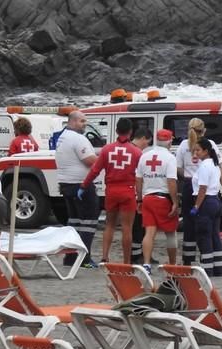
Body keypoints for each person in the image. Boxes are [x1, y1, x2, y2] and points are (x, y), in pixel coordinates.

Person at [81, 118, 142, 264]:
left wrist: (84, 185)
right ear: (131, 132)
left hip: (111, 191)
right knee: (127, 228)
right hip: (128, 191)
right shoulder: (137, 152)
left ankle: (104, 256)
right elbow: (141, 175)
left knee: (109, 225)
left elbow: (95, 170)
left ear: (116, 131)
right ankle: (126, 261)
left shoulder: (106, 149)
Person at [176, 118, 222, 265]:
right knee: (209, 227)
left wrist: (186, 177)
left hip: (189, 184)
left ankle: (188, 260)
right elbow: (219, 166)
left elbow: (178, 167)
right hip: (206, 188)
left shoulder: (183, 145)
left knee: (189, 225)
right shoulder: (209, 145)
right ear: (204, 130)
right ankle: (209, 259)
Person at [55, 111, 99, 268]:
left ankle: (70, 258)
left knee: (74, 222)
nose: (84, 124)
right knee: (89, 221)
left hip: (66, 184)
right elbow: (89, 161)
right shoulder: (78, 139)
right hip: (81, 185)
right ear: (72, 122)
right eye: (82, 121)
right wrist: (105, 158)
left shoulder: (62, 137)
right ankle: (84, 259)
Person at [136, 129, 178, 272]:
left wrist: (139, 199)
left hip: (148, 198)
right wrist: (175, 202)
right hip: (163, 198)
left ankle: (146, 263)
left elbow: (138, 179)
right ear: (170, 141)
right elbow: (171, 181)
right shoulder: (170, 158)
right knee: (171, 233)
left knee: (149, 232)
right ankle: (172, 264)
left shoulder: (144, 156)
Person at [190, 138, 222, 276]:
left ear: (206, 151)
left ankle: (207, 269)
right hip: (215, 201)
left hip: (206, 203)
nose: (195, 153)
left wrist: (196, 206)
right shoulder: (214, 164)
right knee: (215, 235)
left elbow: (202, 188)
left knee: (204, 236)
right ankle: (218, 268)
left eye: (198, 150)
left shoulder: (204, 166)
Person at [129, 128, 153, 264]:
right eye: (147, 143)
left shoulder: (130, 149)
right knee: (138, 225)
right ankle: (137, 255)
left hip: (133, 191)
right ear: (143, 138)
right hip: (135, 193)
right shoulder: (137, 153)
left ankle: (141, 253)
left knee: (141, 225)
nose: (146, 146)